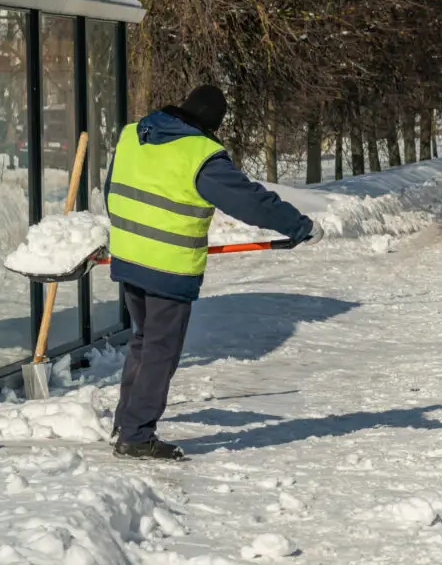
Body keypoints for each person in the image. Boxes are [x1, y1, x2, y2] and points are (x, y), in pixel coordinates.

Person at [104, 85, 323, 460]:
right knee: (159, 349)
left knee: (144, 341)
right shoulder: (200, 154)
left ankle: (127, 422)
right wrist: (298, 225)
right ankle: (137, 435)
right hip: (166, 267)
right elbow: (250, 201)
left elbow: (113, 189)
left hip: (128, 256)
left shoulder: (133, 134)